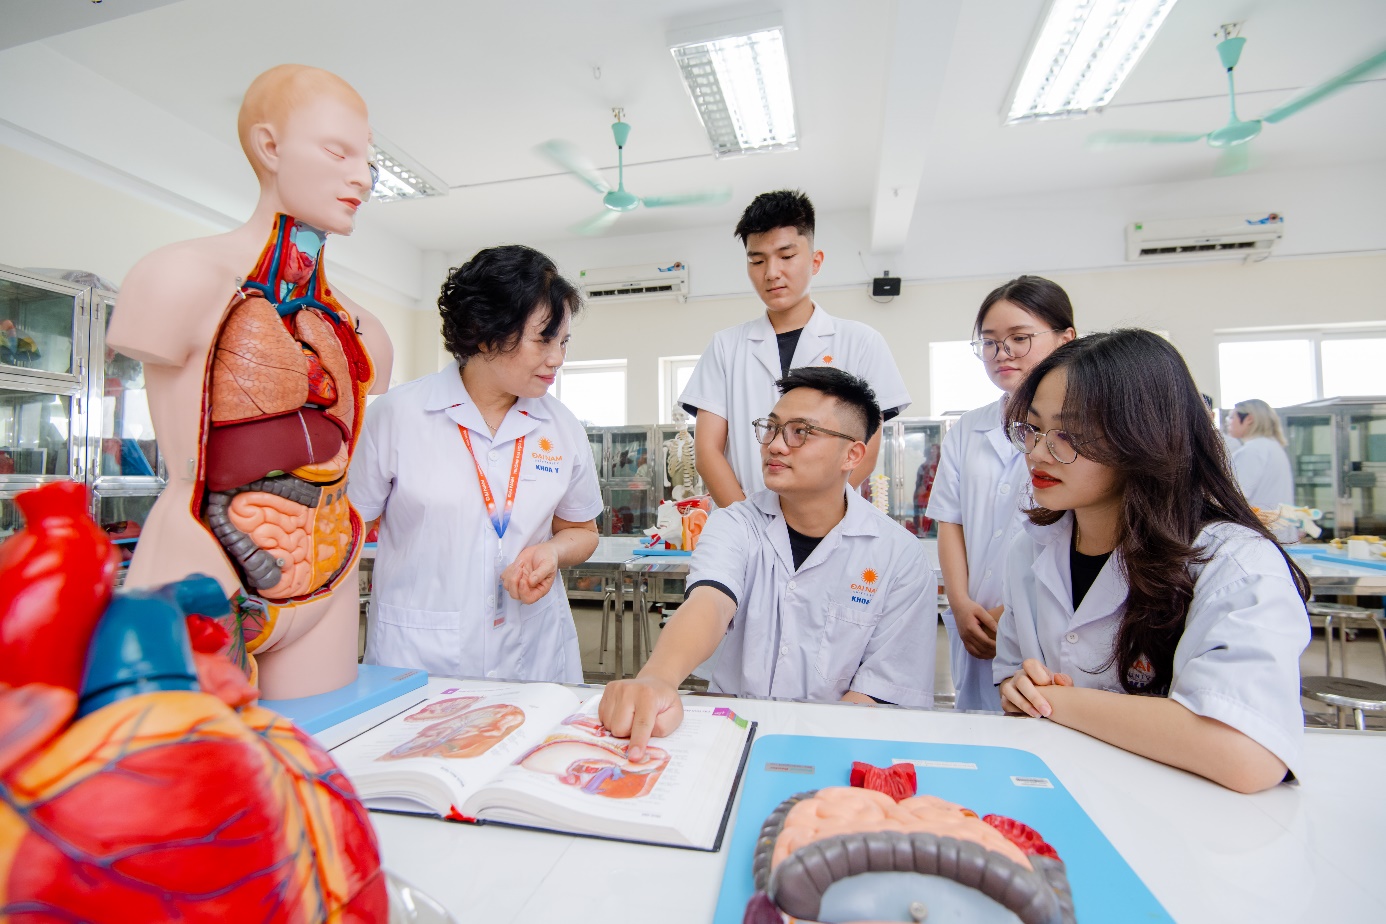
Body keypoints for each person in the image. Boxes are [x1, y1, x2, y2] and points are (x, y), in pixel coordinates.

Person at [107, 64, 392, 699]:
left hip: (327, 562)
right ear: (269, 147)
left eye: (368, 160)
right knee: (196, 770)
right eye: (337, 151)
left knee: (316, 751)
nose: (362, 177)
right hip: (207, 558)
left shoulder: (364, 327)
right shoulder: (176, 278)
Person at [994, 330, 1310, 794]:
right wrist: (1020, 689)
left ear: (1145, 439)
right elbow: (1008, 677)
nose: (1039, 452)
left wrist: (1058, 702)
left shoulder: (1232, 562)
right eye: (1034, 428)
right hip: (1061, 795)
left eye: (1069, 435)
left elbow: (1247, 753)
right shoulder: (1033, 548)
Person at [601, 367, 936, 758]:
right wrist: (658, 678)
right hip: (727, 739)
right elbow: (709, 603)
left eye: (801, 432)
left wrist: (802, 754)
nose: (776, 445)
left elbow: (883, 689)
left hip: (834, 750)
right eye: (772, 428)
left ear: (853, 454)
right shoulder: (735, 523)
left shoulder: (898, 556)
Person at [348, 245, 602, 682]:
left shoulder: (560, 426)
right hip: (419, 655)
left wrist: (552, 551)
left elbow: (581, 531)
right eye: (544, 339)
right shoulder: (397, 415)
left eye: (563, 342)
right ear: (485, 333)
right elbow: (344, 538)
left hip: (533, 652)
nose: (558, 358)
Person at [678, 190, 911, 508]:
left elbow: (865, 450)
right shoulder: (725, 347)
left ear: (816, 261)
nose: (771, 272)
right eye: (757, 260)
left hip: (828, 527)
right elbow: (707, 453)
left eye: (786, 256)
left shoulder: (862, 342)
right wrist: (752, 526)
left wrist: (811, 516)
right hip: (743, 527)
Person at [926, 276, 1076, 712]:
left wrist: (1009, 615)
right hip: (971, 617)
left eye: (1019, 338)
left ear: (1066, 339)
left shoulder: (1083, 433)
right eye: (989, 342)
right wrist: (958, 602)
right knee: (974, 725)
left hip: (1041, 618)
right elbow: (949, 520)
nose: (1001, 353)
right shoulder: (968, 429)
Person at [1227, 399, 1296, 541]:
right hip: (1276, 534)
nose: (1229, 421)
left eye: (1232, 417)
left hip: (1258, 536)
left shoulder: (1251, 451)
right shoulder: (1272, 447)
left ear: (1249, 419)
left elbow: (1234, 497)